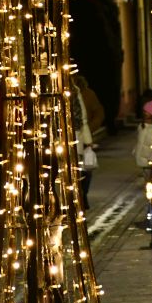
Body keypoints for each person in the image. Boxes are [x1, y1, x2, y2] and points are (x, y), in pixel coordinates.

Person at [70, 75, 94, 209]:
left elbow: (82, 119)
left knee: (82, 169)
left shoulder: (75, 91)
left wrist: (87, 140)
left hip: (77, 136)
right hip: (62, 140)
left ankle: (81, 195)